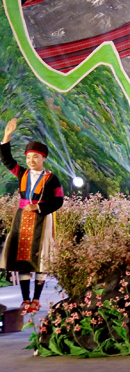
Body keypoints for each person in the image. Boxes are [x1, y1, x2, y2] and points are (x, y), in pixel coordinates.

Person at [1, 118, 64, 317]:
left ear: (43, 158)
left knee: (41, 259)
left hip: (42, 220)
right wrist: (7, 136)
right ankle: (25, 299)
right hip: (22, 220)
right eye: (29, 157)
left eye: (35, 157)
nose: (31, 161)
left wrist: (38, 206)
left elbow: (59, 200)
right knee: (22, 260)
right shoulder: (22, 174)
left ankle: (36, 298)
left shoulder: (51, 178)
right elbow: (7, 160)